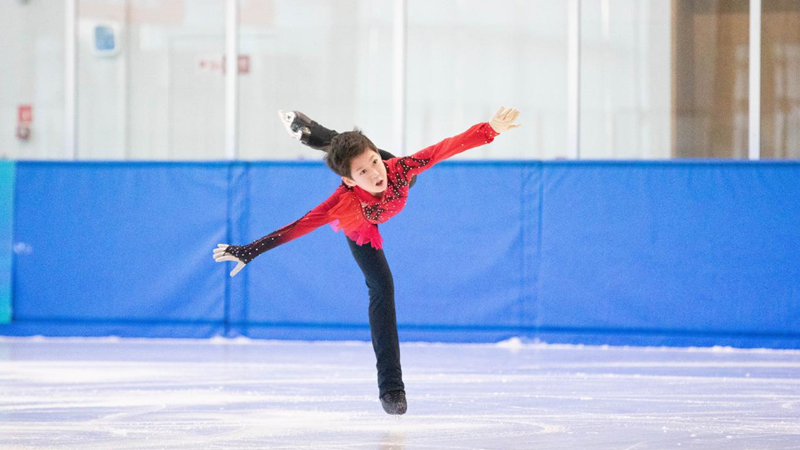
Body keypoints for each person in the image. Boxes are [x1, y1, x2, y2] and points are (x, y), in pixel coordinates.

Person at [213, 107, 521, 415]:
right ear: (347, 181)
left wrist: (489, 129)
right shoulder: (341, 202)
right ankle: (391, 389)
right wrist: (250, 250)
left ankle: (335, 140)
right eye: (362, 172)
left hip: (397, 182)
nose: (375, 174)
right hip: (360, 224)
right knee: (382, 289)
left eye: (374, 162)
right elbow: (297, 226)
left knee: (396, 168)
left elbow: (445, 148)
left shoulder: (396, 168)